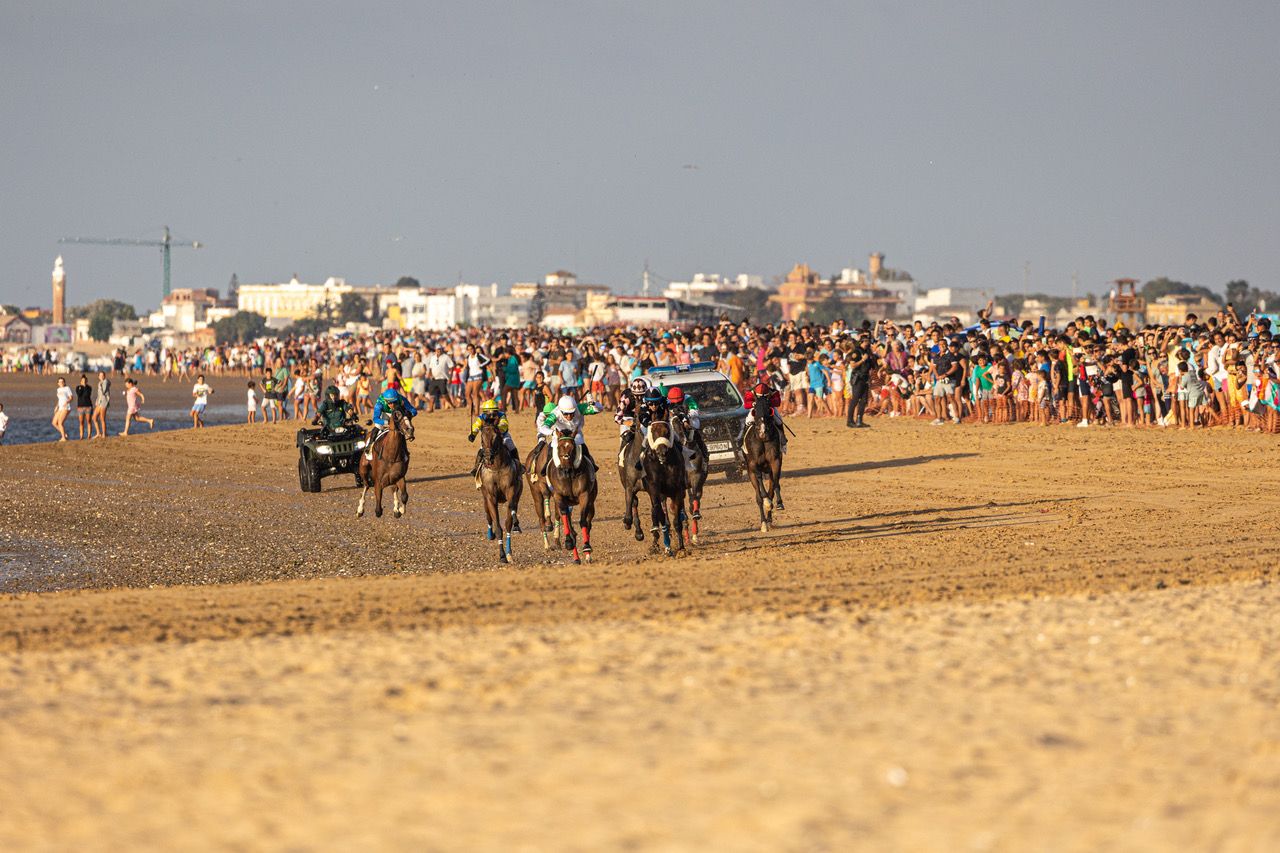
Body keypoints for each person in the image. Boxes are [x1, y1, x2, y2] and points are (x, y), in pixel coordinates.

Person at [539, 394, 600, 473]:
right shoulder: (555, 414)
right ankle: (546, 465)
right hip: (560, 436)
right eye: (566, 414)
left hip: (575, 434)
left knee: (583, 446)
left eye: (572, 413)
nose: (569, 416)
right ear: (560, 411)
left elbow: (598, 409)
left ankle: (591, 465)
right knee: (552, 446)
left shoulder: (579, 408)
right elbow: (543, 427)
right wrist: (553, 432)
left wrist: (593, 403)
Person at [468, 398, 519, 488]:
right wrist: (473, 434)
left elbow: (504, 424)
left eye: (493, 412)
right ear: (485, 412)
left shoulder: (501, 415)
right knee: (481, 450)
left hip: (502, 435)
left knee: (511, 445)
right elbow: (476, 426)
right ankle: (476, 468)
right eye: (489, 413)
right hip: (488, 438)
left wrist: (497, 428)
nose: (491, 415)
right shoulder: (481, 417)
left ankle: (518, 466)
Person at [366, 386, 417, 457]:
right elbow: (375, 419)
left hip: (397, 413)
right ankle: (370, 445)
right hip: (385, 414)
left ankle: (406, 446)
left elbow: (414, 410)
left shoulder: (401, 399)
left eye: (395, 402)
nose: (393, 405)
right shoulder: (380, 403)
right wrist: (387, 422)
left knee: (405, 421)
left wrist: (409, 414)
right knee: (378, 426)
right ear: (386, 401)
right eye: (390, 403)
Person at [742, 380, 786, 454]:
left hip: (769, 408)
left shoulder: (773, 392)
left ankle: (783, 440)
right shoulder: (750, 392)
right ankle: (743, 441)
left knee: (779, 421)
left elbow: (778, 402)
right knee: (748, 421)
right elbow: (746, 404)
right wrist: (753, 403)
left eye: (764, 396)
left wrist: (768, 402)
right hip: (756, 408)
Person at [614, 376, 652, 453]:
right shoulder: (626, 398)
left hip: (642, 417)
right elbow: (617, 417)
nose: (639, 398)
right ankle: (621, 458)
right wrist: (627, 422)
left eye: (642, 395)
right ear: (632, 393)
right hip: (627, 417)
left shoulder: (648, 397)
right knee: (625, 439)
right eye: (637, 395)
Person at [52, 377, 73, 442]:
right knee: (54, 423)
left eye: (62, 381)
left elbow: (71, 398)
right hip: (60, 407)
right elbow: (59, 399)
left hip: (66, 407)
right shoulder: (58, 389)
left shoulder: (67, 388)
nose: (61, 383)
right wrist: (57, 406)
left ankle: (63, 438)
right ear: (58, 383)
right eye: (60, 382)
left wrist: (67, 402)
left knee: (60, 422)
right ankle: (64, 434)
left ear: (64, 382)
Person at [74, 374, 93, 439]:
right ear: (80, 381)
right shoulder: (78, 387)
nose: (84, 382)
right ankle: (81, 436)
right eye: (82, 380)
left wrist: (85, 387)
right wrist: (81, 387)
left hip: (88, 406)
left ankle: (89, 435)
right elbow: (79, 394)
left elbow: (87, 394)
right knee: (81, 422)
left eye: (85, 380)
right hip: (80, 407)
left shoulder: (89, 387)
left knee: (88, 421)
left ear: (87, 381)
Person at [92, 371, 111, 439]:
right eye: (100, 375)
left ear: (104, 376)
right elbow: (99, 394)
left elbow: (103, 391)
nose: (101, 376)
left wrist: (100, 385)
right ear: (98, 376)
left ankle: (104, 434)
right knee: (94, 417)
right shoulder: (100, 383)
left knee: (102, 418)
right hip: (99, 402)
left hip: (104, 402)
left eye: (103, 375)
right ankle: (98, 433)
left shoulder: (105, 382)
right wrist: (97, 401)